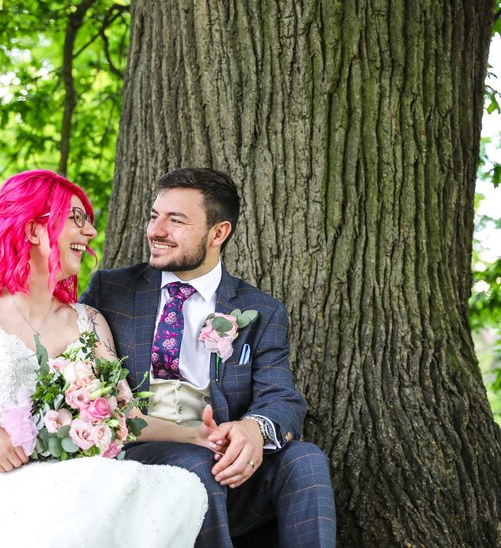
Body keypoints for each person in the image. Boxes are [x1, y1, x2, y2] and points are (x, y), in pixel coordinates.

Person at [0, 170, 208, 547]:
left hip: (81, 488)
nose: (89, 233)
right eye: (76, 219)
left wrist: (197, 434)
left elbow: (125, 417)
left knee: (171, 490)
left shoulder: (89, 322)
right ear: (34, 229)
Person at [80, 168, 337, 548]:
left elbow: (281, 396)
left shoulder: (260, 310)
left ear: (219, 233)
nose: (156, 230)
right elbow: (76, 367)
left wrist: (253, 429)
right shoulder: (111, 289)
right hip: (138, 457)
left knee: (307, 460)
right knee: (196, 465)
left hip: (223, 466)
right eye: (155, 216)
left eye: (176, 220)